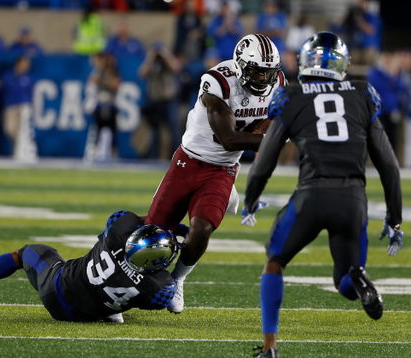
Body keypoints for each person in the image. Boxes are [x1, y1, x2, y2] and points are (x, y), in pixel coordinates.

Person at [241, 32, 403, 358]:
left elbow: (266, 158)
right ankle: (358, 277)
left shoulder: (291, 95)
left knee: (275, 262)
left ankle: (270, 348)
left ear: (306, 61)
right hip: (354, 200)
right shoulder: (362, 93)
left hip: (311, 196)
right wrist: (394, 218)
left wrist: (251, 198)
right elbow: (388, 163)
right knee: (344, 280)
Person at [144, 34, 287, 314]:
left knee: (201, 230)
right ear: (240, 65)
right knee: (153, 237)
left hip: (223, 170)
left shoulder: (279, 84)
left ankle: (177, 280)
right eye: (256, 70)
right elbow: (228, 139)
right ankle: (117, 272)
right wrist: (280, 139)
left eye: (268, 72)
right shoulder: (218, 82)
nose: (262, 77)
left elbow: (270, 126)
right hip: (189, 162)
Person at [0, 211, 187, 323]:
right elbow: (152, 287)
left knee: (22, 254)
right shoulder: (161, 287)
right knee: (128, 293)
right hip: (86, 314)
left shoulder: (120, 231)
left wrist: (174, 225)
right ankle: (110, 312)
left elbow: (146, 218)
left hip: (56, 286)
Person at [138, 42, 181, 159]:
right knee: (154, 131)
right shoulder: (152, 63)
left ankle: (177, 158)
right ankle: (153, 158)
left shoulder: (167, 61)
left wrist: (166, 55)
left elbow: (176, 67)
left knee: (174, 130)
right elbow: (141, 73)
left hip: (169, 99)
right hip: (155, 100)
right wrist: (150, 58)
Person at [83, 52, 121, 161]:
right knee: (97, 130)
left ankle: (113, 154)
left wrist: (107, 78)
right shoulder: (99, 73)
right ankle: (94, 153)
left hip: (111, 105)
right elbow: (92, 80)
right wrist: (101, 70)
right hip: (100, 105)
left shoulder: (115, 73)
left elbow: (115, 85)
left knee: (112, 132)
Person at [0, 56, 36, 160]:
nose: (26, 66)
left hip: (24, 107)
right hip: (10, 106)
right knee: (9, 129)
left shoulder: (29, 77)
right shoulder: (8, 76)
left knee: (22, 131)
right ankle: (21, 148)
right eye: (24, 63)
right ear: (18, 63)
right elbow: (3, 91)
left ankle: (21, 152)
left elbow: (32, 93)